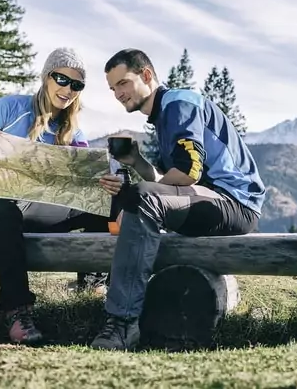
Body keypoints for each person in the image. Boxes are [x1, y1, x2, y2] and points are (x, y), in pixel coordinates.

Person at [90, 48, 265, 350]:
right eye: (112, 88)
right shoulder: (164, 113)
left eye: (123, 83)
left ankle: (121, 323)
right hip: (210, 199)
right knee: (138, 196)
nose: (117, 93)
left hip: (236, 203)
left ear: (146, 75)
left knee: (140, 197)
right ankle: (118, 304)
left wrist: (138, 194)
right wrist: (138, 162)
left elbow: (187, 173)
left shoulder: (178, 105)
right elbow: (172, 184)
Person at [0, 47, 110, 345]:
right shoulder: (8, 109)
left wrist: (102, 181)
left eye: (77, 85)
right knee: (6, 212)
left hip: (28, 209)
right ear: (46, 77)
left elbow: (87, 184)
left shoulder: (73, 131)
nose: (67, 89)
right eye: (62, 79)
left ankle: (92, 291)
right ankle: (16, 311)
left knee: (103, 205)